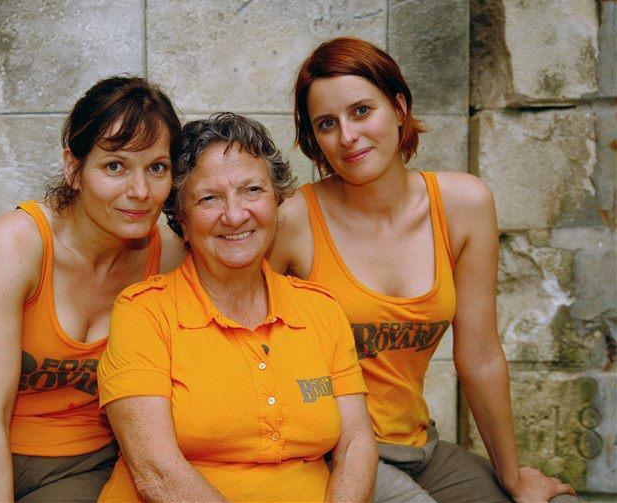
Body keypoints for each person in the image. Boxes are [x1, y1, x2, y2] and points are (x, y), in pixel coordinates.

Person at [268, 37, 578, 503]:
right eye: (326, 124)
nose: (347, 137)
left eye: (360, 111)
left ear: (398, 107)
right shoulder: (291, 219)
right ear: (314, 140)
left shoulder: (463, 205)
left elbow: (480, 357)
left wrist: (512, 475)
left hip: (418, 447)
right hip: (329, 454)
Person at [0, 76, 187, 503]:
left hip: (79, 467)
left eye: (156, 168)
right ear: (74, 169)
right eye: (115, 166)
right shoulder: (17, 243)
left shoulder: (169, 256)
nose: (140, 192)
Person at [97, 112, 378, 502]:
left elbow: (356, 445)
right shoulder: (144, 312)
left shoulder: (320, 308)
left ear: (277, 199)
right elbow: (156, 473)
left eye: (252, 191)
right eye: (209, 198)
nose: (234, 215)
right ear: (181, 214)